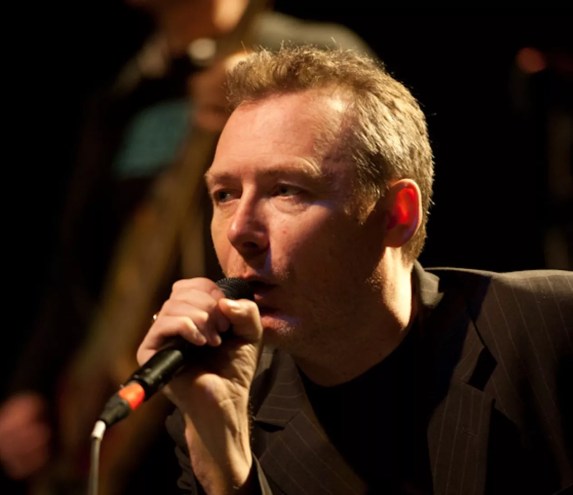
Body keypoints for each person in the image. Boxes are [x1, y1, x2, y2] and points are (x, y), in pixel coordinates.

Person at [135, 45, 573, 494]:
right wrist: (226, 466)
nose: (239, 230)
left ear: (397, 215)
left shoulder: (553, 328)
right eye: (225, 195)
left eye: (286, 189)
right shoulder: (216, 413)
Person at [0, 2, 375, 495]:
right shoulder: (126, 92)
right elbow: (78, 263)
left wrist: (262, 85)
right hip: (111, 392)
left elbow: (378, 166)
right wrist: (30, 386)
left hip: (249, 395)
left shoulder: (315, 49)